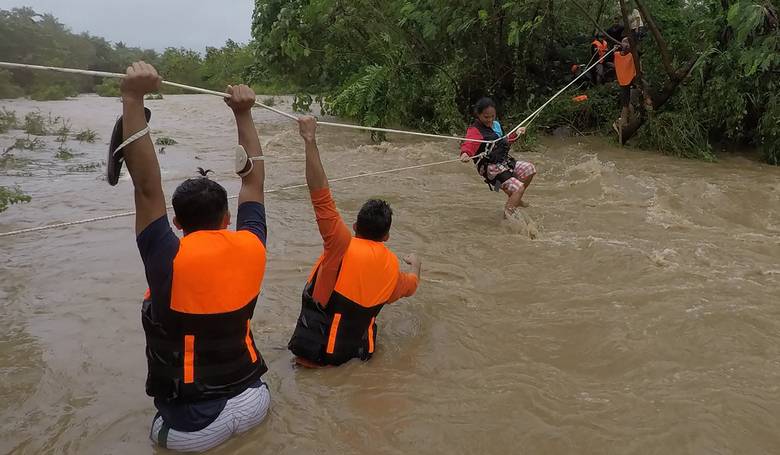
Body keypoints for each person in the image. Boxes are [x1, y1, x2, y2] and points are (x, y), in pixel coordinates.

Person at [114, 62, 270, 452]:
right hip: (254, 401)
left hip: (193, 426)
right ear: (227, 217)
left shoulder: (168, 257)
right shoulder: (253, 244)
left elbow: (147, 189)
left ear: (177, 222)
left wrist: (133, 98)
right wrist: (244, 113)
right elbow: (253, 178)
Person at [287, 116, 422, 367]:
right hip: (357, 361)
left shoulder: (339, 244)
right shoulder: (392, 269)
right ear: (386, 237)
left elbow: (320, 194)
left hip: (311, 361)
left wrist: (309, 139)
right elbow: (411, 285)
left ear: (355, 227)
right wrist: (415, 263)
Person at [459, 97, 535, 217]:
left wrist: (517, 133)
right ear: (478, 115)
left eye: (492, 116)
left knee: (530, 169)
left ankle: (515, 198)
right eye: (486, 117)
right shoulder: (474, 130)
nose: (489, 120)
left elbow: (504, 141)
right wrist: (465, 154)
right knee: (518, 189)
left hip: (504, 162)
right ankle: (508, 219)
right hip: (491, 170)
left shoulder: (496, 125)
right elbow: (468, 144)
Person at [612, 38, 637, 141]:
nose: (626, 44)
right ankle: (624, 122)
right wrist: (615, 50)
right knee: (625, 103)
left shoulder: (633, 54)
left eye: (628, 42)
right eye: (624, 42)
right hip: (624, 82)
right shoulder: (617, 54)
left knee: (630, 103)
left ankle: (629, 122)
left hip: (633, 81)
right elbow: (613, 57)